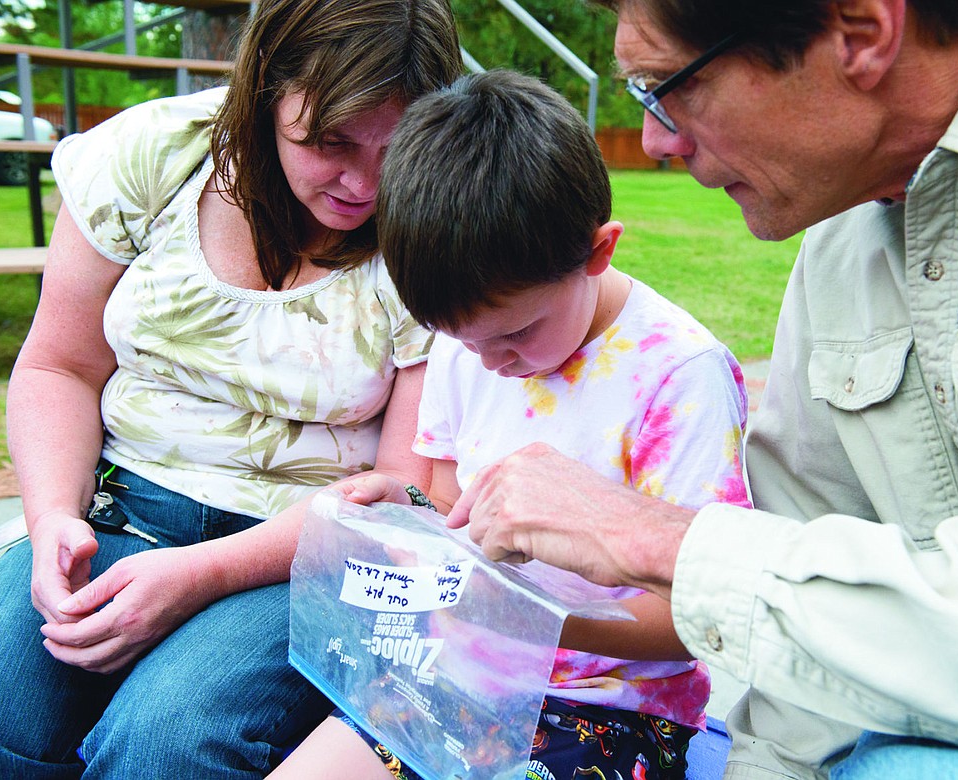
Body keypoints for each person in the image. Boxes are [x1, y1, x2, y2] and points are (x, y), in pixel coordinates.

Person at [446, 0, 958, 778]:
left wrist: (655, 540)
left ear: (860, 32)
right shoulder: (840, 239)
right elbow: (802, 680)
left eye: (668, 85)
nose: (660, 141)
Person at [0, 0, 462, 775]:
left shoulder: (439, 217)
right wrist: (52, 514)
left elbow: (400, 494)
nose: (368, 182)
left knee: (166, 741)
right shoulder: (153, 156)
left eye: (400, 147)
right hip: (120, 506)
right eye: (330, 142)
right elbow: (60, 364)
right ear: (265, 92)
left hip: (310, 550)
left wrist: (199, 577)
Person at [272, 69, 751, 780]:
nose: (492, 364)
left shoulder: (679, 377)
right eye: (464, 341)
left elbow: (698, 616)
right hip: (446, 678)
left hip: (607, 710)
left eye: (516, 334)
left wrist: (524, 614)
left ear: (598, 251)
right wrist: (404, 512)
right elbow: (444, 501)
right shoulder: (468, 345)